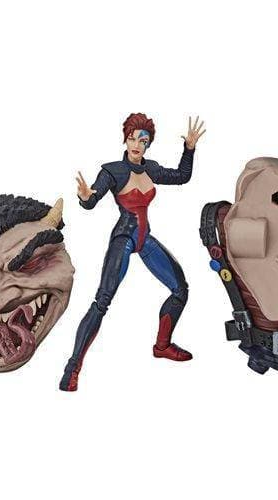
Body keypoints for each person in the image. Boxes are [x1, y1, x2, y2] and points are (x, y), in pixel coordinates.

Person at [59, 113, 205, 391]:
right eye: (132, 138)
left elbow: (182, 176)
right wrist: (85, 197)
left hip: (144, 238)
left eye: (143, 140)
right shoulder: (113, 171)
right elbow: (92, 200)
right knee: (102, 301)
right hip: (124, 238)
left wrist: (189, 149)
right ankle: (72, 368)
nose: (137, 144)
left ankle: (162, 346)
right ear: (125, 140)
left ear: (148, 144)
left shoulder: (151, 169)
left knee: (180, 290)